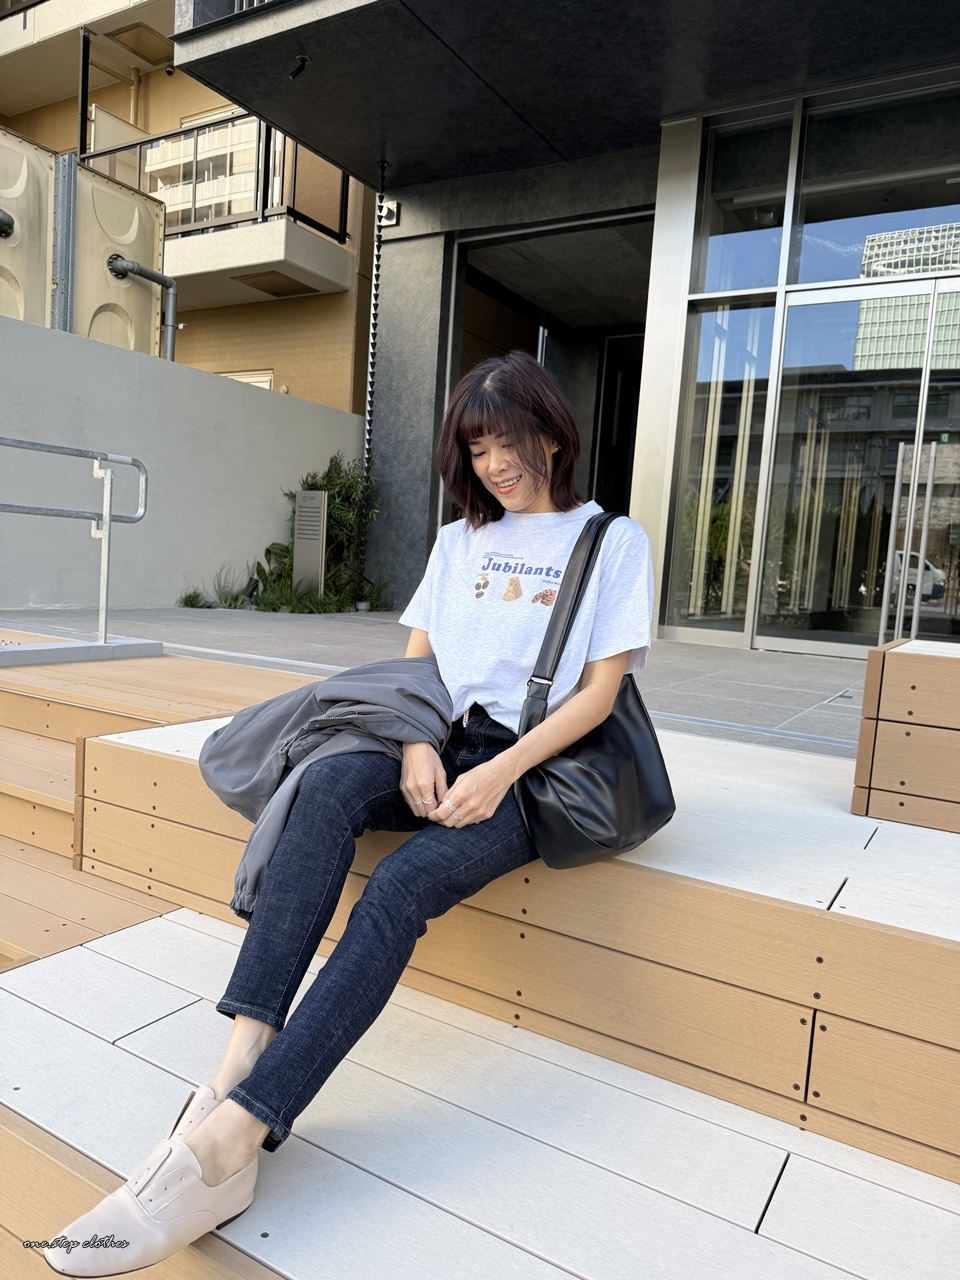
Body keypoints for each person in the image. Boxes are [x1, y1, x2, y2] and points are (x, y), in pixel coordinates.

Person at [42, 349, 654, 1277]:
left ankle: (234, 1138)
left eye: (511, 440)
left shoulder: (611, 540)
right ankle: (238, 1061)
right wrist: (412, 743)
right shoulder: (461, 540)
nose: (496, 463)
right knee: (326, 786)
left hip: (534, 768)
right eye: (477, 447)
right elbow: (419, 664)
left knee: (402, 886)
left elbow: (600, 694)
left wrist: (500, 774)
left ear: (554, 433)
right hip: (437, 736)